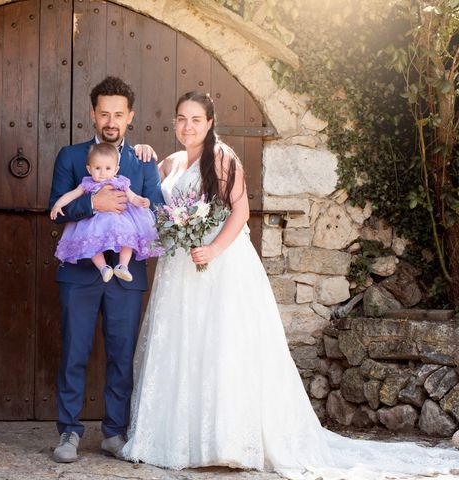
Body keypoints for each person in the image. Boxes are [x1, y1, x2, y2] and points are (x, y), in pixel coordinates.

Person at [121, 91, 459, 479]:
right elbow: (146, 196)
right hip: (180, 270)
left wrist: (212, 248)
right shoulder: (171, 163)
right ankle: (178, 438)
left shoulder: (222, 158)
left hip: (220, 266)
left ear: (210, 122)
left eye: (196, 119)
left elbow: (241, 211)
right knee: (185, 347)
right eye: (181, 118)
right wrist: (142, 151)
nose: (187, 126)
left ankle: (226, 440)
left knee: (222, 346)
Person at [48, 76, 164, 463]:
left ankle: (115, 432)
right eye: (104, 113)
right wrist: (95, 205)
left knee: (121, 354)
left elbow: (157, 209)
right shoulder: (70, 156)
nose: (110, 121)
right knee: (74, 352)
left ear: (130, 116)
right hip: (80, 272)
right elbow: (58, 210)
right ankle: (68, 432)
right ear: (93, 115)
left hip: (126, 277)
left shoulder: (143, 160)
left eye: (118, 114)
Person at [50, 142, 162, 282]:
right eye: (98, 168)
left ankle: (123, 266)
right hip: (94, 222)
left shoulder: (121, 182)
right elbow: (71, 195)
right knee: (90, 243)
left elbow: (132, 196)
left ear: (116, 170)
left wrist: (141, 201)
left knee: (127, 239)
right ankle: (104, 268)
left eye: (108, 168)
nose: (103, 173)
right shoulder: (87, 184)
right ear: (89, 169)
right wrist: (58, 205)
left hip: (120, 220)